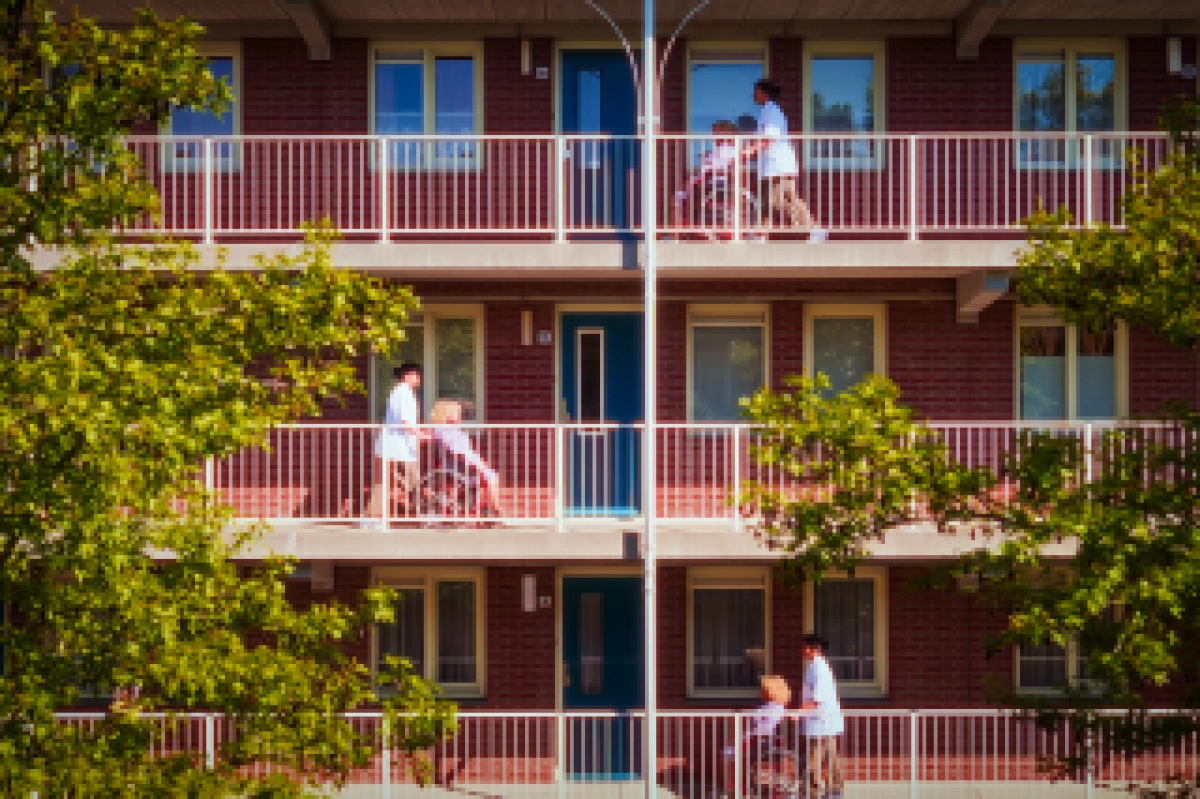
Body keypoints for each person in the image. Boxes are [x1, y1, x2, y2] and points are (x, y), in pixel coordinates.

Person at [742, 79, 827, 242]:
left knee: (787, 198)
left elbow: (769, 138)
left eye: (756, 91)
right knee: (767, 200)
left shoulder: (773, 111)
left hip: (779, 164)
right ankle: (761, 235)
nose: (753, 95)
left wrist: (750, 151)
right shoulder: (766, 111)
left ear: (764, 93)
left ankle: (815, 229)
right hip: (770, 165)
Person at [364, 363, 427, 524]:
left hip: (398, 445)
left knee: (386, 482)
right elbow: (404, 420)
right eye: (416, 374)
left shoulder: (403, 393)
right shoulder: (402, 393)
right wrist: (421, 434)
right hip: (397, 445)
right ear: (406, 376)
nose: (419, 378)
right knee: (409, 481)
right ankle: (424, 514)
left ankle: (375, 518)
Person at [429, 398, 506, 517]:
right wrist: (473, 462)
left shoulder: (452, 430)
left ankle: (493, 508)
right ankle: (496, 509)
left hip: (464, 463)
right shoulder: (443, 429)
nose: (459, 415)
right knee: (490, 476)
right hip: (457, 465)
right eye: (456, 412)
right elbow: (454, 450)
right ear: (446, 413)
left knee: (490, 475)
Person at [672, 120, 742, 240]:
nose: (713, 136)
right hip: (708, 182)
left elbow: (724, 169)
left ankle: (684, 232)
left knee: (680, 198)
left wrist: (705, 175)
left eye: (716, 132)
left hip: (715, 184)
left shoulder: (728, 149)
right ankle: (684, 231)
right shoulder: (720, 149)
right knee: (679, 196)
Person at [723, 674, 792, 796]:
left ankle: (736, 787)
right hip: (758, 739)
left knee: (730, 754)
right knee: (731, 751)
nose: (760, 691)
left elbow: (766, 729)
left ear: (770, 691)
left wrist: (745, 737)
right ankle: (737, 786)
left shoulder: (774, 709)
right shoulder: (771, 706)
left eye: (763, 689)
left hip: (760, 741)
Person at [800, 633, 845, 796]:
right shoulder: (815, 666)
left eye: (804, 646)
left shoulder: (820, 668)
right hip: (820, 722)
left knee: (816, 761)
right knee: (827, 759)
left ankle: (818, 792)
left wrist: (799, 712)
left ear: (812, 649)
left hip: (823, 722)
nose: (802, 650)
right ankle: (832, 791)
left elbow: (818, 698)